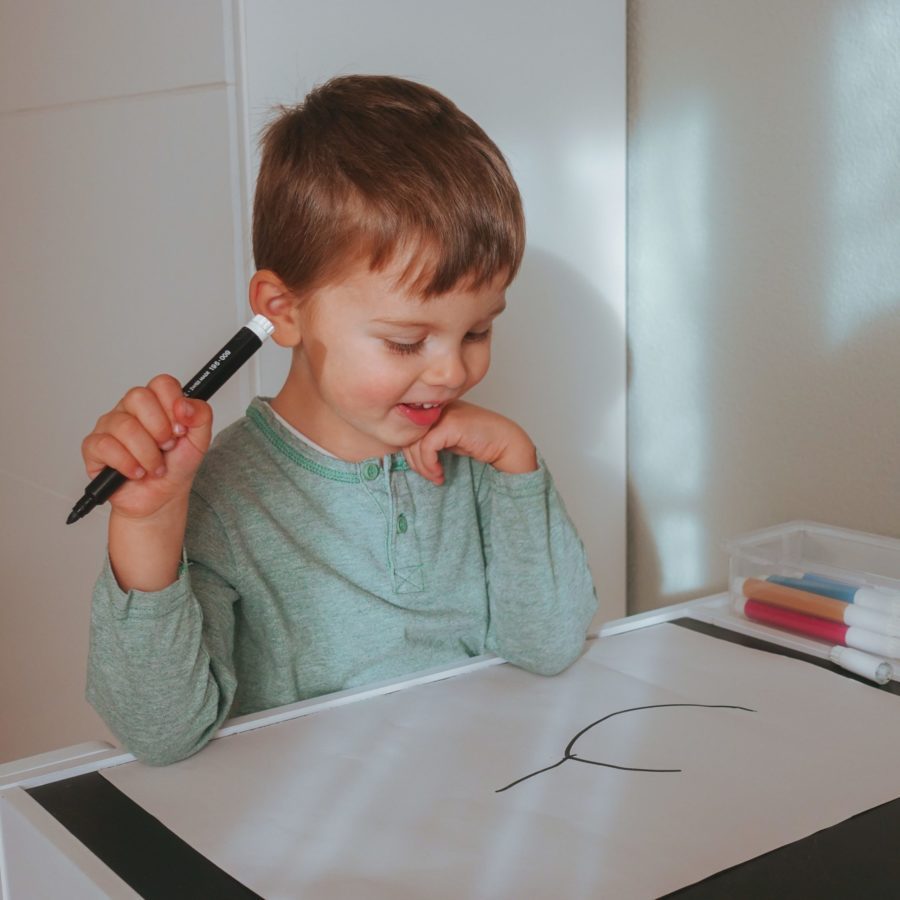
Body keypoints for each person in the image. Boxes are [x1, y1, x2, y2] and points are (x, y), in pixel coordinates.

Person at [83, 75, 597, 766]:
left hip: (482, 795)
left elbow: (550, 644)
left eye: (476, 333)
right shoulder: (220, 497)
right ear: (284, 311)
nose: (451, 372)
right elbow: (162, 735)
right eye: (406, 342)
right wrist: (147, 526)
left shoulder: (477, 461)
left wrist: (517, 462)